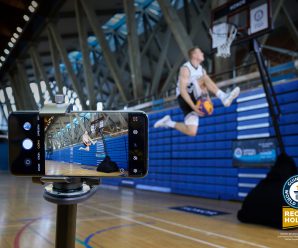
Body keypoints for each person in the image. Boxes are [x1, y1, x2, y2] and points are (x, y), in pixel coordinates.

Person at [154, 47, 240, 136]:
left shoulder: (202, 70)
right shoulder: (185, 68)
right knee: (204, 78)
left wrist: (209, 103)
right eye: (200, 52)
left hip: (195, 98)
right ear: (194, 55)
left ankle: (169, 122)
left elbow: (204, 89)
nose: (203, 54)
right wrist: (193, 106)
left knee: (192, 131)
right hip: (184, 97)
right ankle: (223, 96)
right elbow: (183, 91)